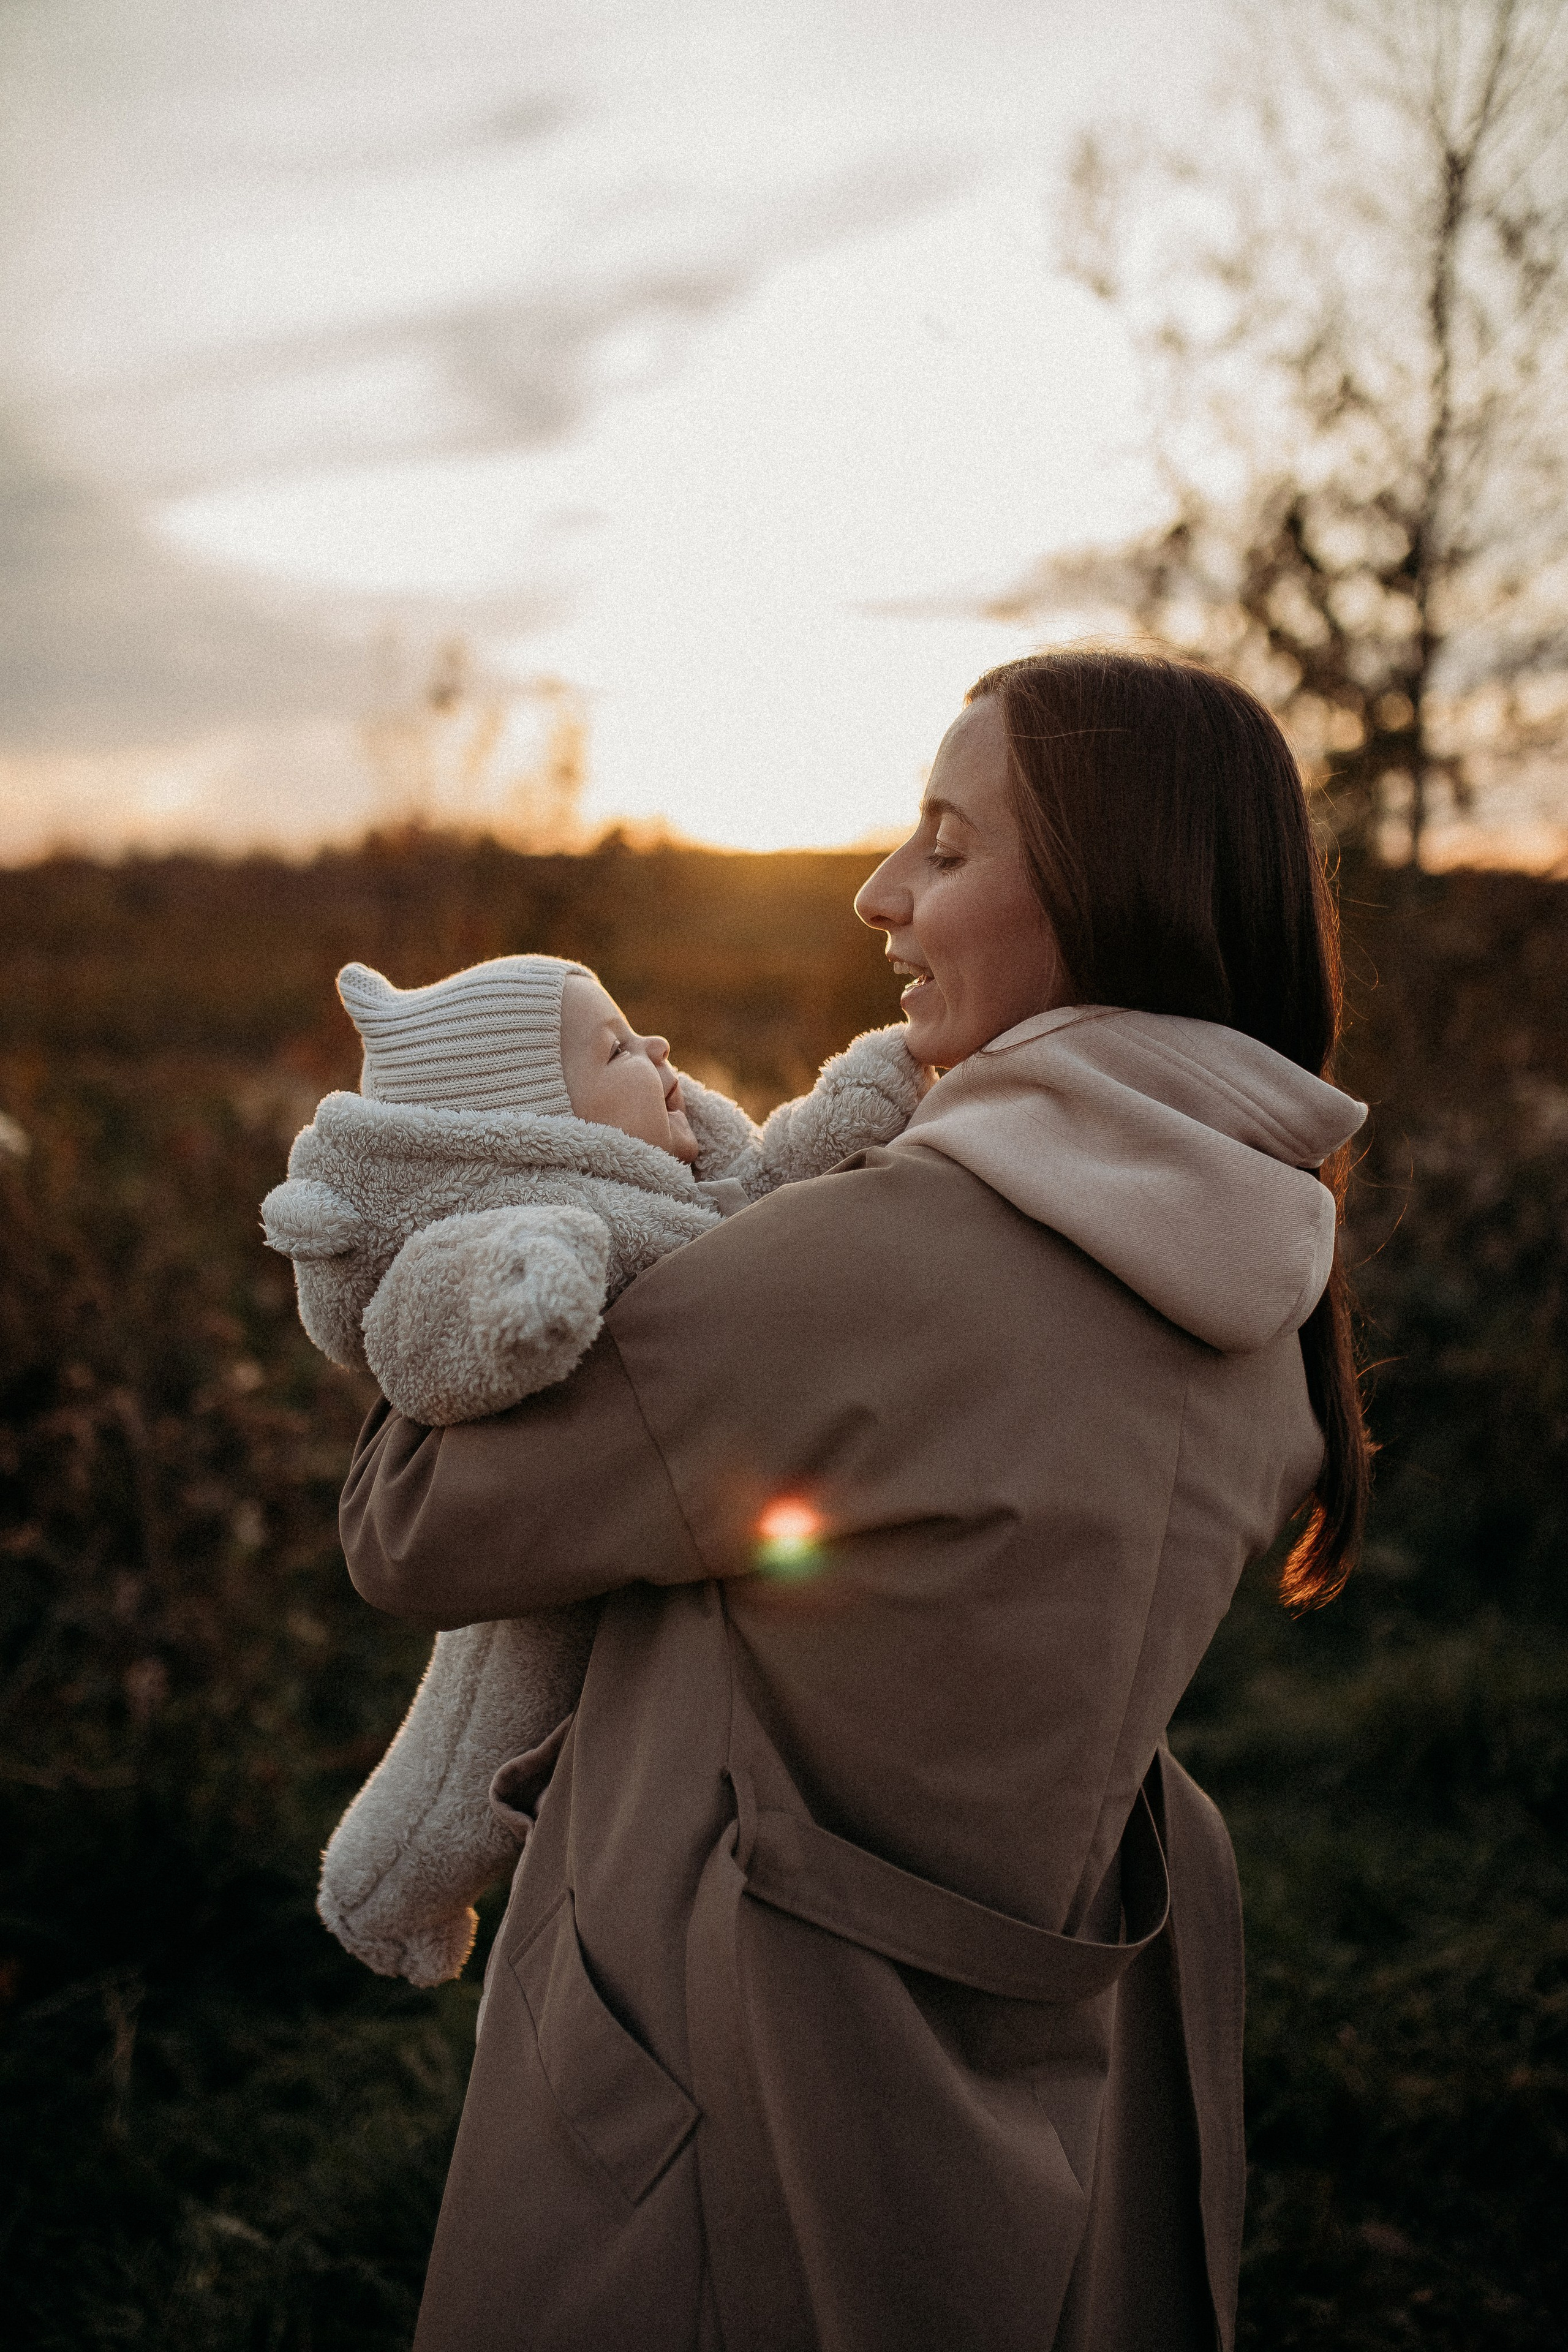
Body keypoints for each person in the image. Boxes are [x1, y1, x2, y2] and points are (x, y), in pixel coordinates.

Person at [340, 649, 1373, 2352]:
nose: (878, 892)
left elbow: (416, 1524)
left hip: (723, 2079)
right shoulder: (1268, 1278)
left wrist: (487, 1231)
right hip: (1051, 2055)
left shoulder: (879, 1268)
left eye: (949, 847)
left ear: (1110, 897)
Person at [261, 955, 927, 1986]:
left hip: (663, 1525)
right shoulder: (545, 1216)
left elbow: (777, 1180)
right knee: (474, 1735)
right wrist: (521, 1296)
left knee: (551, 1755)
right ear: (534, 1127)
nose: (657, 1049)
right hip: (558, 1553)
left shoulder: (685, 1183)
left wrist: (873, 1088)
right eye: (617, 1047)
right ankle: (379, 1898)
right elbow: (422, 1314)